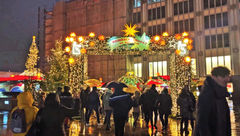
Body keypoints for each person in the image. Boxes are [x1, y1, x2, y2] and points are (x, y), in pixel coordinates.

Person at [194, 66, 231, 136]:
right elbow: (202, 122)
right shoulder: (206, 95)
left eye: (228, 76)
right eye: (224, 76)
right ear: (214, 77)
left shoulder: (220, 94)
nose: (227, 79)